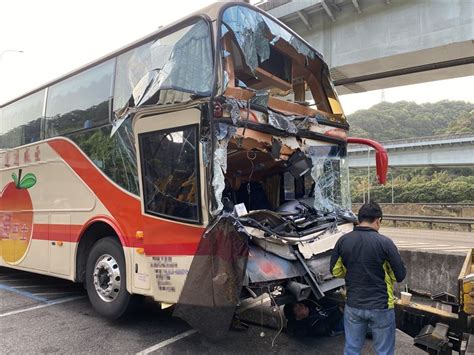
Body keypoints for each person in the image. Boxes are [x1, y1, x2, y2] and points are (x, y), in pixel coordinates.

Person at [329, 202, 406, 355]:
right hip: (381, 306)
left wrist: (353, 271)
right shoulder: (385, 243)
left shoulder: (343, 241)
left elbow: (335, 271)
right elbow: (400, 275)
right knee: (383, 351)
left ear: (359, 219)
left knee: (351, 349)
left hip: (353, 305)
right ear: (378, 220)